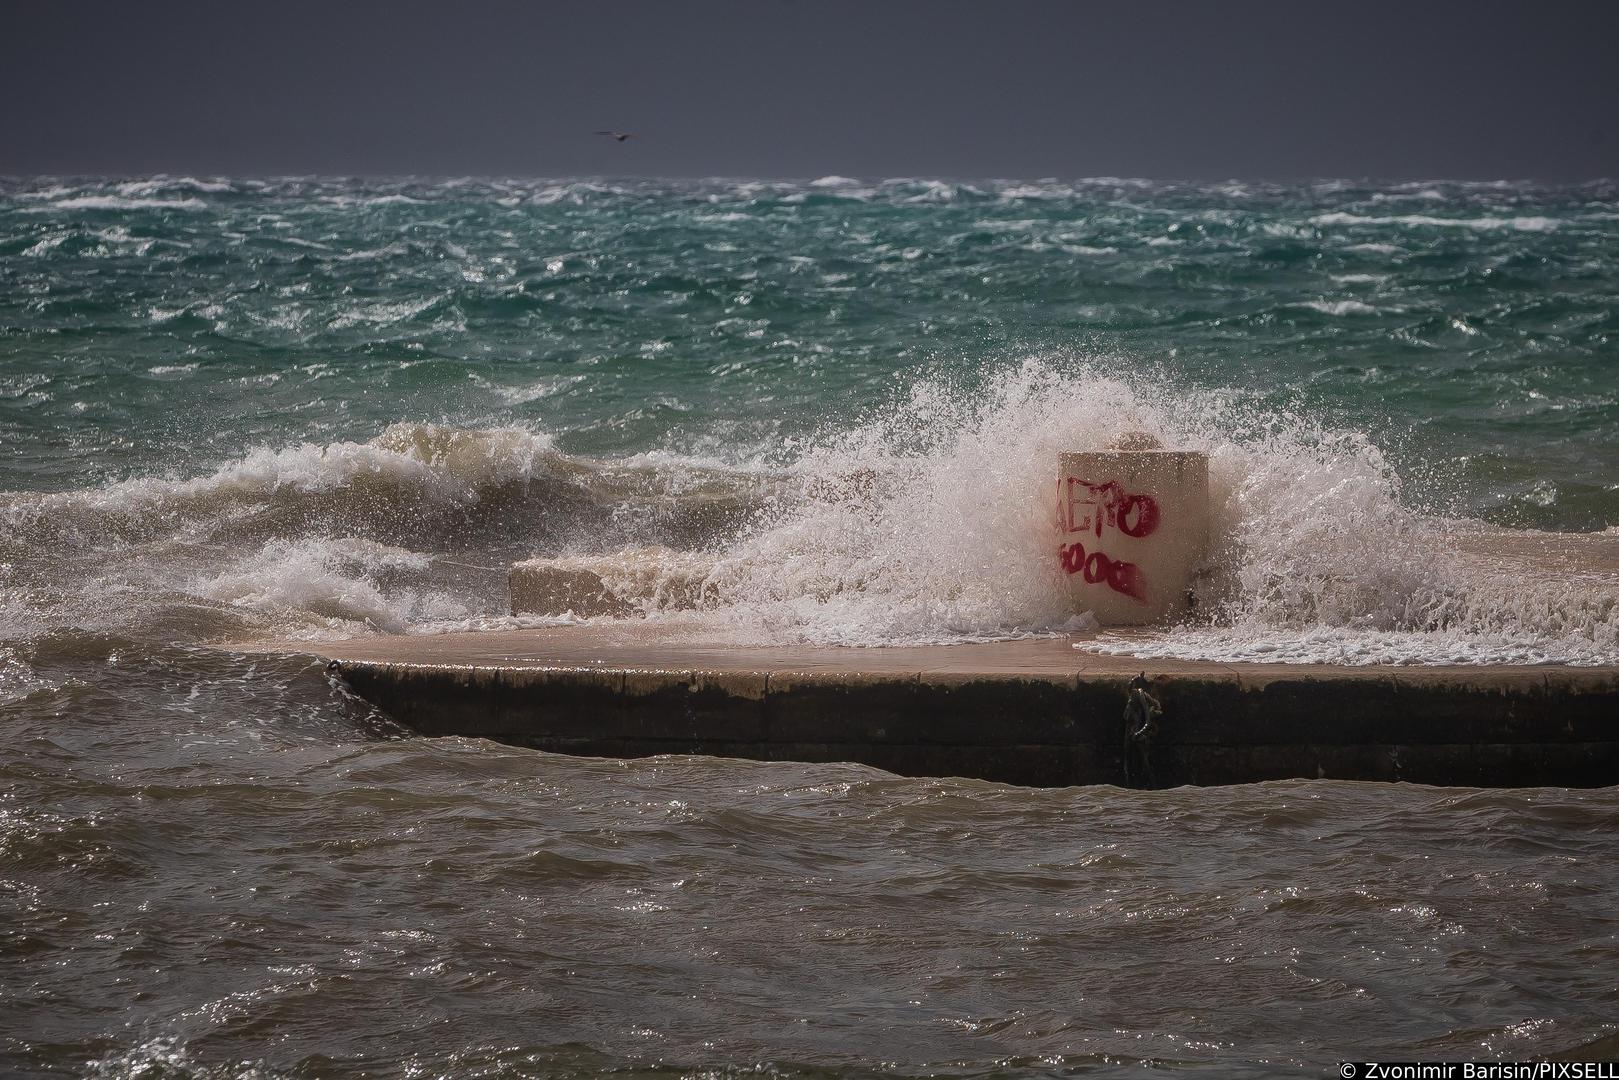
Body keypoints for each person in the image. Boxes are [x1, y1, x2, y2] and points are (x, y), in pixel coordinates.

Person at [1122, 673, 1162, 788]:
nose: (1130, 683)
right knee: (1130, 763)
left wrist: (1139, 733)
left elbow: (1148, 721)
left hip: (1136, 735)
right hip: (1131, 733)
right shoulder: (1134, 695)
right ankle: (1133, 787)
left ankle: (1149, 786)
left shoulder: (1139, 695)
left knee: (1142, 764)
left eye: (1133, 681)